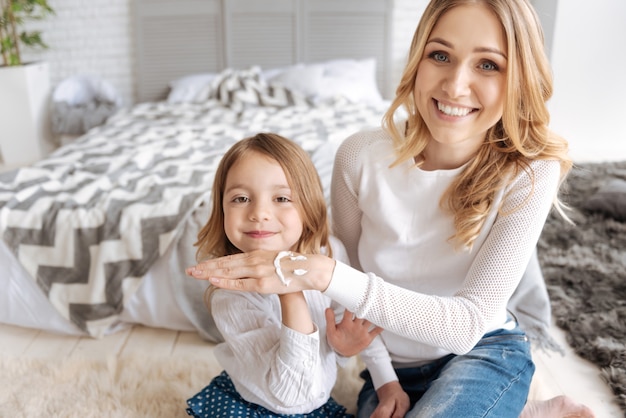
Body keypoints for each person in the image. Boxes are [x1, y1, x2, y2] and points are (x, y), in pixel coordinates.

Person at [186, 1, 595, 417]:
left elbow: (464, 325)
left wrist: (322, 274)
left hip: (483, 350)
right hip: (392, 370)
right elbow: (345, 286)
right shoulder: (359, 155)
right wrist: (377, 372)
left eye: (488, 65)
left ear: (519, 78)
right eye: (440, 55)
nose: (455, 86)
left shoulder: (529, 172)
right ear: (418, 59)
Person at [185, 132, 382, 418]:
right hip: (259, 407)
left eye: (281, 198)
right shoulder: (230, 296)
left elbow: (352, 323)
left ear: (308, 205)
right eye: (241, 198)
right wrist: (289, 289)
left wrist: (354, 357)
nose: (260, 213)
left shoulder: (329, 253)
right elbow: (290, 396)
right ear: (221, 207)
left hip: (314, 399)